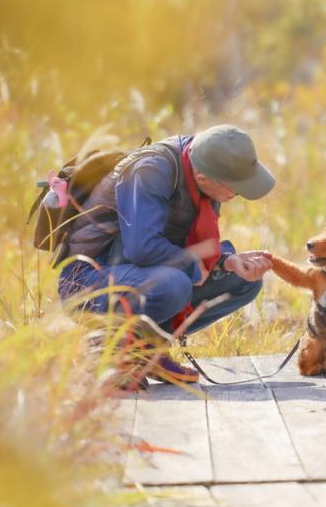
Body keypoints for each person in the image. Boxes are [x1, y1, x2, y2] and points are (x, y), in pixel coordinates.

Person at [57, 124, 275, 385]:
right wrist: (195, 266)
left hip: (137, 273)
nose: (238, 194)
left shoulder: (201, 169)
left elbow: (183, 242)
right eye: (236, 188)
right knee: (174, 285)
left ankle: (145, 347)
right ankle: (108, 349)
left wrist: (227, 261)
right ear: (205, 177)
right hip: (88, 280)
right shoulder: (150, 171)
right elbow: (142, 248)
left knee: (243, 283)